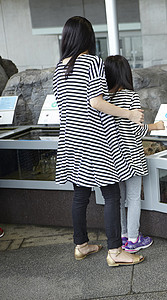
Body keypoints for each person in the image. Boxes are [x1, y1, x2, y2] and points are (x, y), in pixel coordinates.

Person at [53, 16, 144, 267]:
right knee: (112, 193)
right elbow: (96, 102)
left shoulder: (59, 68)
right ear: (88, 38)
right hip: (95, 139)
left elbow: (63, 107)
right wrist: (128, 113)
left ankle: (81, 245)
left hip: (71, 140)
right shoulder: (92, 62)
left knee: (80, 194)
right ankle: (116, 251)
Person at [104, 55, 165, 253]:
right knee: (133, 198)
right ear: (125, 74)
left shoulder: (104, 99)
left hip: (113, 156)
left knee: (119, 200)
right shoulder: (130, 97)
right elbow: (137, 131)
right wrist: (156, 126)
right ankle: (133, 239)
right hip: (131, 156)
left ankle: (123, 236)